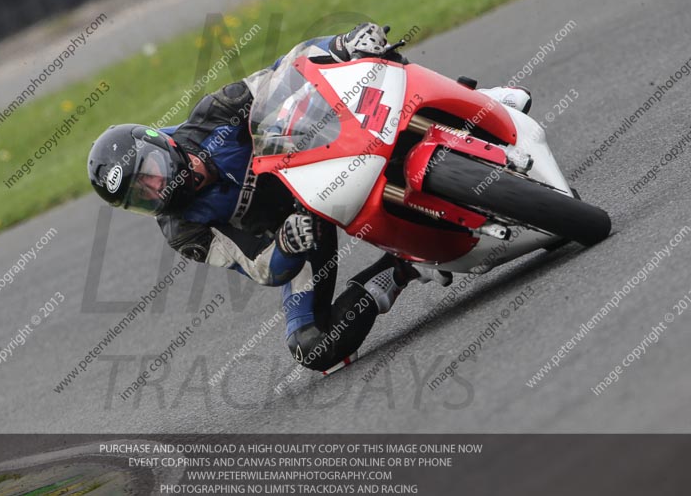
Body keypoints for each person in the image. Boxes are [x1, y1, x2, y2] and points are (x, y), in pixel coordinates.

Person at [87, 23, 532, 373]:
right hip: (298, 230)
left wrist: (342, 44)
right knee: (311, 349)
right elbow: (257, 268)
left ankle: (476, 100)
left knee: (379, 67)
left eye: (148, 176)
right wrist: (286, 244)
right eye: (139, 198)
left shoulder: (213, 115)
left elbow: (290, 69)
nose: (154, 191)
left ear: (158, 146)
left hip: (314, 159)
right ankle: (403, 267)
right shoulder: (183, 229)